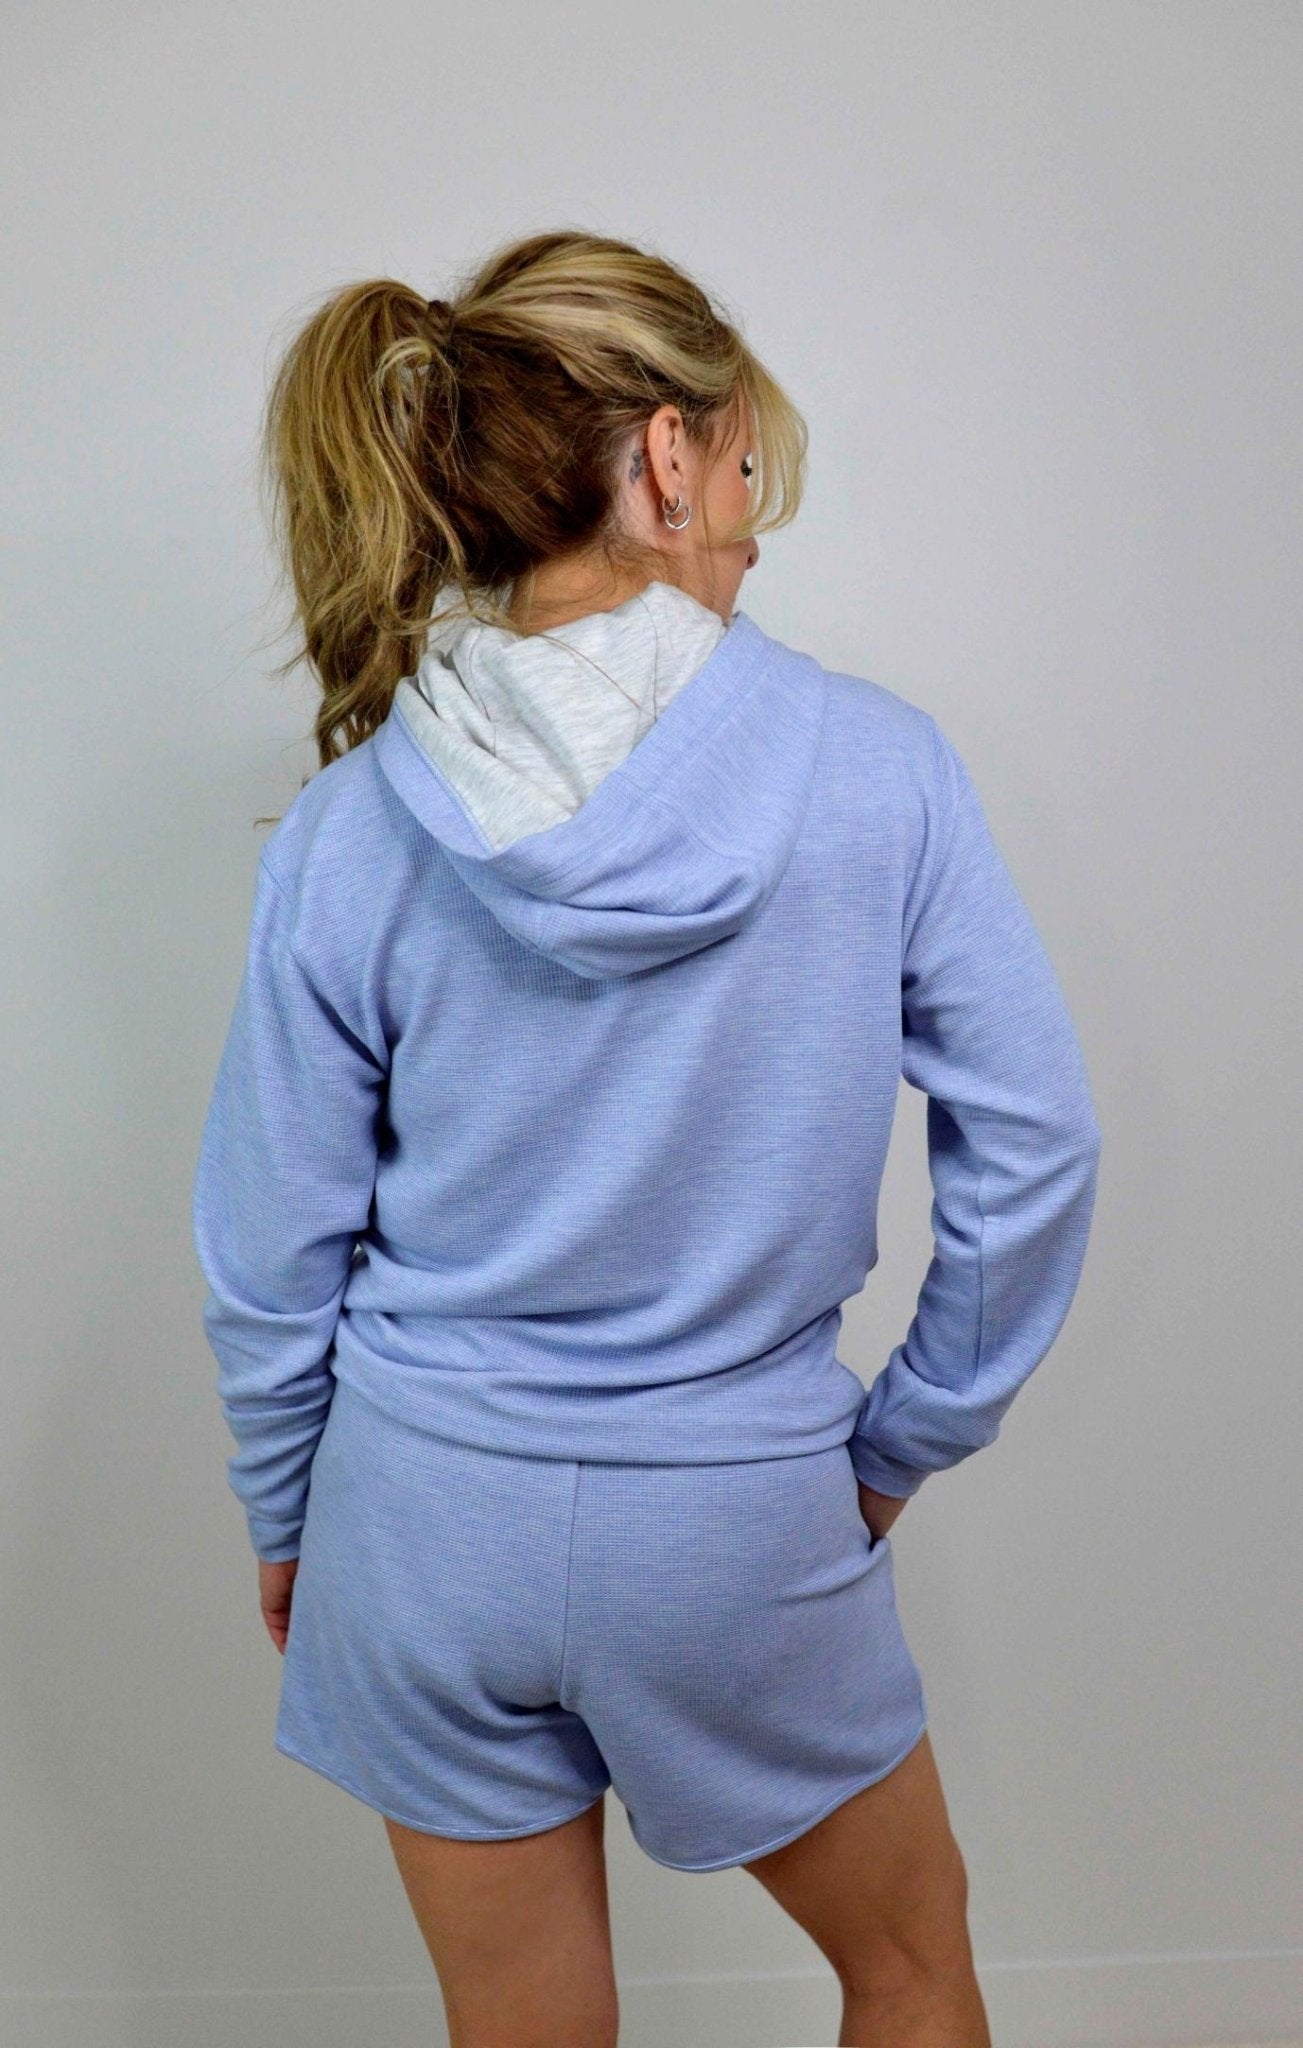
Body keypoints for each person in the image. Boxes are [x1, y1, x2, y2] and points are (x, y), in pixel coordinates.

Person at [192, 227, 1101, 2048]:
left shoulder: (356, 827)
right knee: (910, 1970)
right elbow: (1037, 1151)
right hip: (732, 1521)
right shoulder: (880, 768)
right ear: (669, 459)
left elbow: (269, 1245)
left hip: (418, 1526)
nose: (757, 532)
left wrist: (293, 1513)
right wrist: (897, 1445)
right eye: (750, 471)